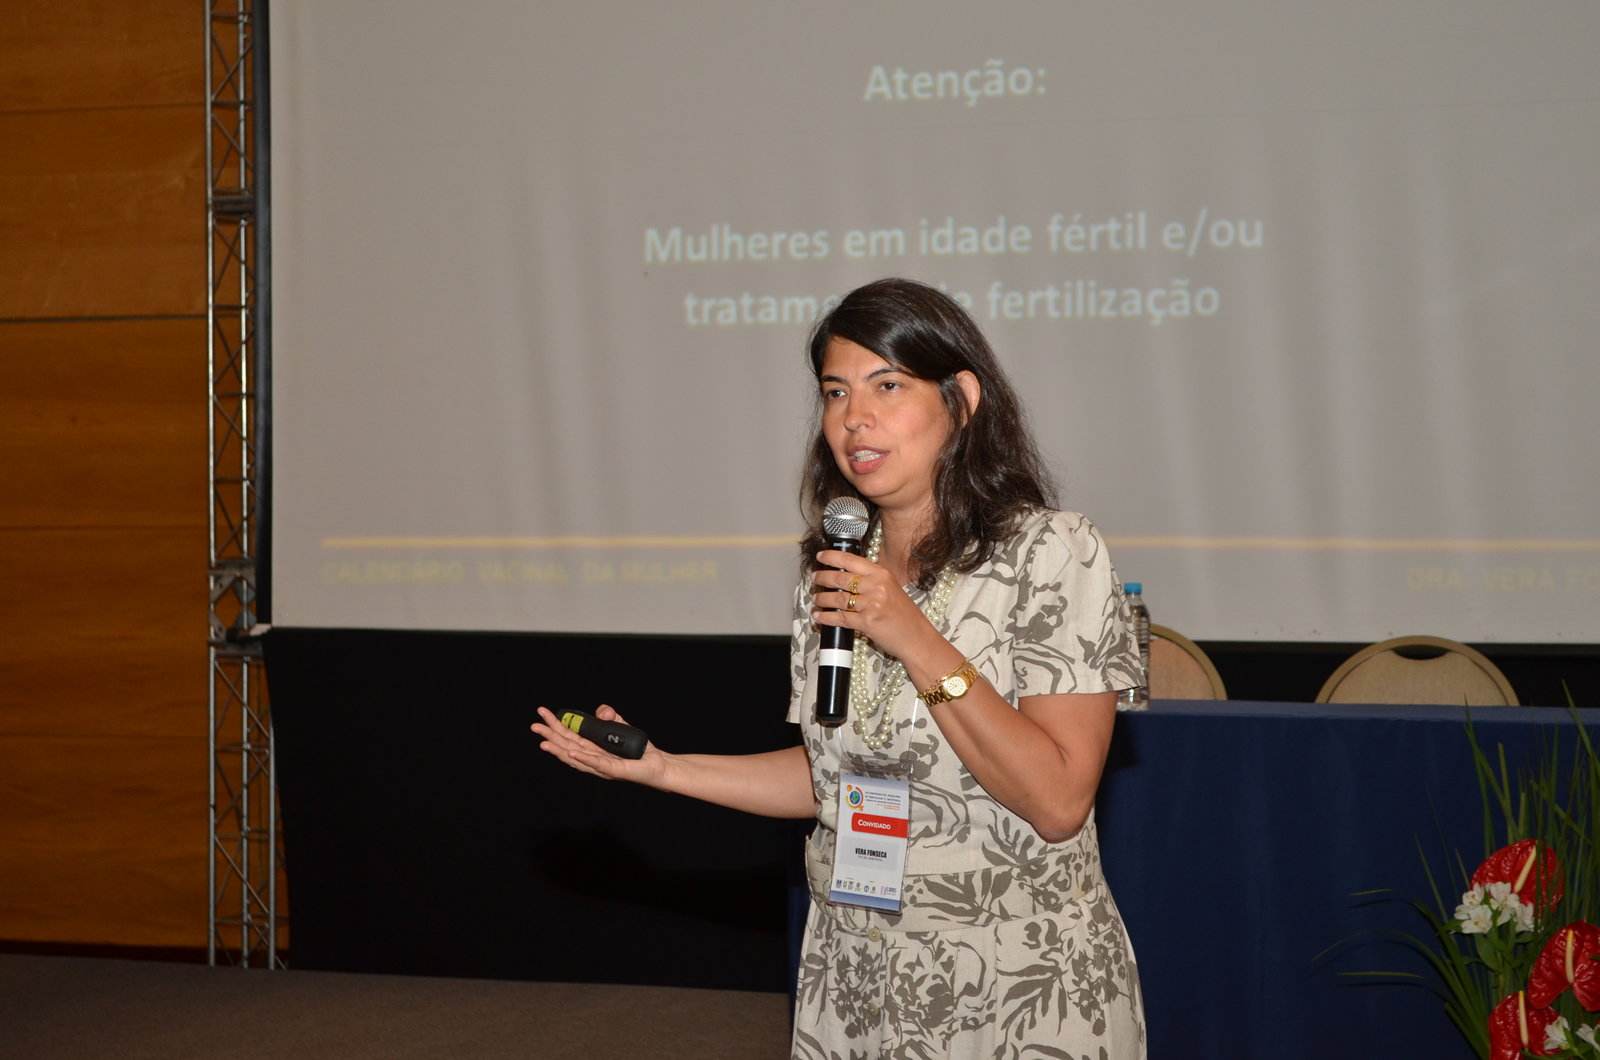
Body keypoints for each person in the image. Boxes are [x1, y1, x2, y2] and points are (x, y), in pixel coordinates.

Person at [532, 277, 1146, 1059]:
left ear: (962, 400)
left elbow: (1059, 801)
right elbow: (835, 776)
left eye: (887, 385)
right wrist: (664, 769)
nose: (854, 417)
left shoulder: (1052, 552)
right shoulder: (833, 569)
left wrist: (913, 634)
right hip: (856, 971)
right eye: (835, 391)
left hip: (1016, 978)